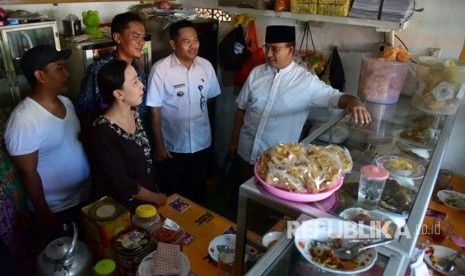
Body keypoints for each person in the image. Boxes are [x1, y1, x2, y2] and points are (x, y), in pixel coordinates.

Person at [229, 25, 372, 182]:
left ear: (290, 50)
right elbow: (241, 109)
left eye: (275, 49)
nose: (268, 54)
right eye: (266, 48)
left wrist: (353, 101)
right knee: (243, 193)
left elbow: (335, 97)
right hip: (246, 150)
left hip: (278, 160)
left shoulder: (305, 81)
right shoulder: (256, 73)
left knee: (267, 202)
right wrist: (234, 143)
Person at [4, 45, 91, 242]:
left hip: (83, 196)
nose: (67, 73)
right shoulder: (23, 119)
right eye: (60, 68)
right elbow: (28, 173)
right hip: (57, 208)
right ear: (40, 75)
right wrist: (44, 213)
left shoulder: (66, 102)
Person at [147, 20, 221, 205]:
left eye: (195, 40)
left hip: (201, 142)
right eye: (187, 41)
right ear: (173, 44)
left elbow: (210, 98)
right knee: (174, 194)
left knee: (199, 191)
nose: (193, 45)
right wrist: (158, 144)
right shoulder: (160, 70)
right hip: (172, 146)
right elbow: (154, 109)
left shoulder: (206, 66)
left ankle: (199, 231)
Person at [93, 59, 167, 210]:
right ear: (119, 94)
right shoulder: (103, 131)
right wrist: (155, 198)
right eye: (135, 82)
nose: (142, 85)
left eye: (138, 79)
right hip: (125, 208)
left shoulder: (134, 112)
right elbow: (121, 183)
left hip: (149, 198)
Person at [75, 12, 149, 151]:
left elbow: (143, 110)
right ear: (117, 37)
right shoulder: (99, 70)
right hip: (113, 145)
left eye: (143, 37)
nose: (141, 42)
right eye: (135, 36)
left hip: (138, 141)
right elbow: (84, 111)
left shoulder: (138, 70)